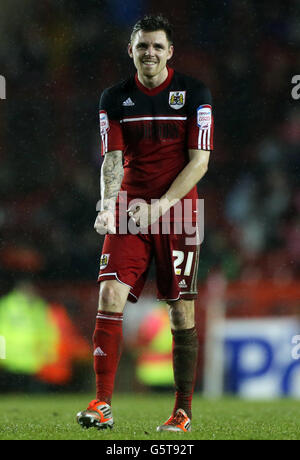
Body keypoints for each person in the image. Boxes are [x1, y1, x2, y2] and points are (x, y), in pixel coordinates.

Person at [76, 14, 213, 433]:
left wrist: (161, 207)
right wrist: (106, 205)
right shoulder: (114, 98)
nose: (149, 52)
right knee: (110, 293)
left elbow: (200, 161)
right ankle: (102, 403)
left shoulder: (194, 93)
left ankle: (182, 410)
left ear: (170, 51)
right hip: (130, 210)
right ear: (131, 51)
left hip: (182, 212)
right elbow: (112, 160)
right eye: (142, 46)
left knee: (180, 311)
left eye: (157, 46)